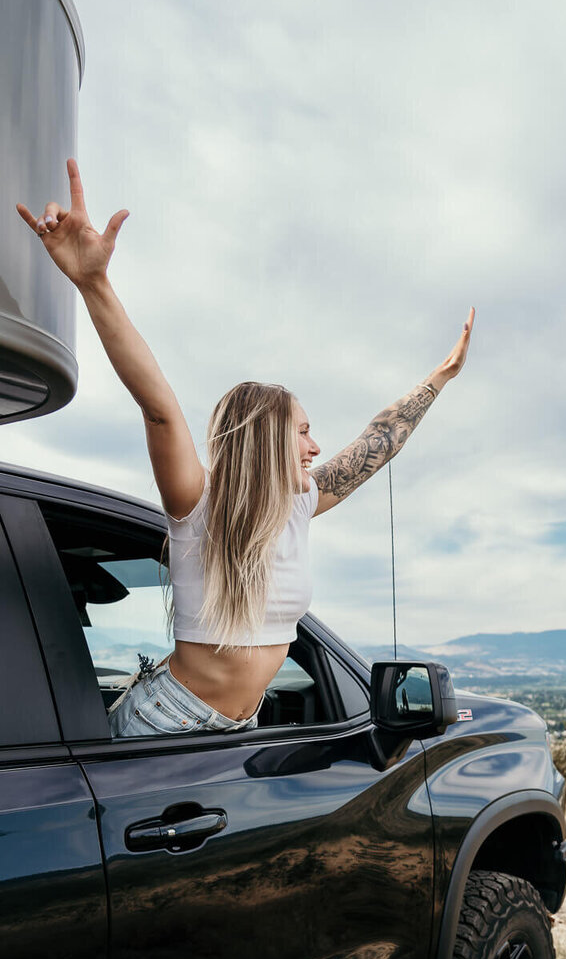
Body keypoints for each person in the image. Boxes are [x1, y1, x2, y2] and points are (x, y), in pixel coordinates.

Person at [17, 160, 475, 737]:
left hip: (238, 728)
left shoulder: (300, 504)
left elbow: (377, 443)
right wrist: (93, 283)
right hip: (166, 723)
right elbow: (158, 404)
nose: (315, 446)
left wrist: (440, 377)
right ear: (262, 439)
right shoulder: (197, 500)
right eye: (302, 430)